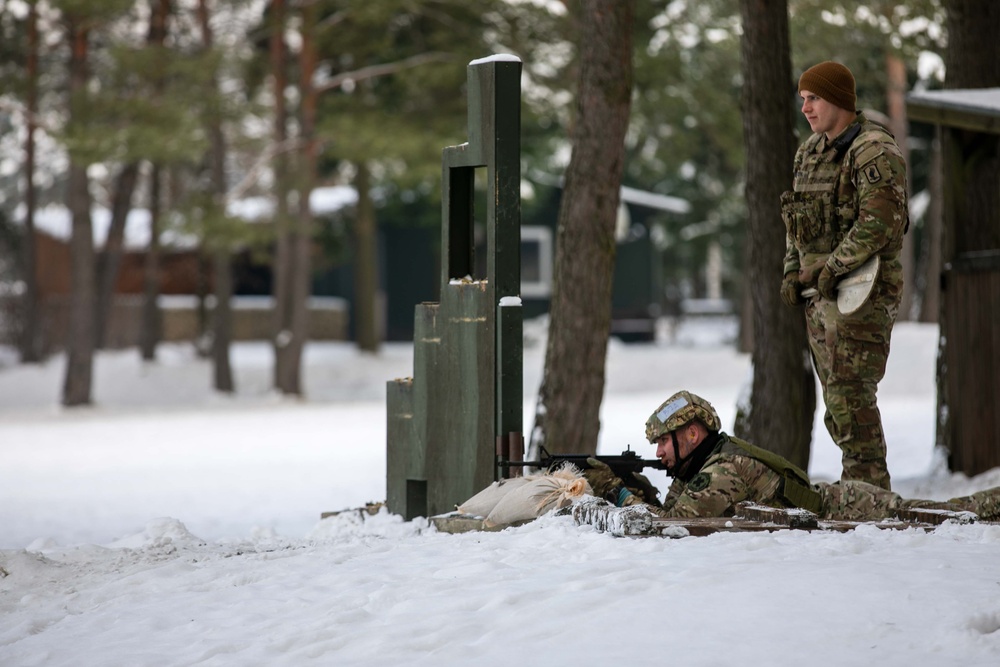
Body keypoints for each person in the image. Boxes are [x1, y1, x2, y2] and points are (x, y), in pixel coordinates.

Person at [779, 61, 908, 491]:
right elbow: (797, 223)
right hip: (822, 299)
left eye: (813, 98)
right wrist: (792, 272)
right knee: (836, 405)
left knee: (850, 397)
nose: (806, 108)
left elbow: (880, 222)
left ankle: (868, 490)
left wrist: (833, 267)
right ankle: (860, 490)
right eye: (802, 99)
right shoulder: (810, 152)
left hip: (862, 294)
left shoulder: (873, 150)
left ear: (838, 99)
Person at [584, 390, 1000, 523]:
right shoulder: (707, 463)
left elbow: (669, 527)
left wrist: (617, 491)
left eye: (664, 442)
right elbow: (675, 511)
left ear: (692, 434)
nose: (658, 453)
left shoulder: (722, 471)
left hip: (852, 510)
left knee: (949, 515)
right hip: (841, 502)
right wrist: (634, 487)